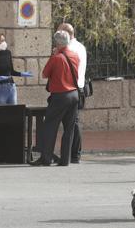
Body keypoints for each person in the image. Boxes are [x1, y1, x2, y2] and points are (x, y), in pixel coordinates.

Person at [30, 31, 79, 167]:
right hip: (74, 94)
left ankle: (45, 158)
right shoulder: (75, 56)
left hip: (60, 95)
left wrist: (53, 54)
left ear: (57, 43)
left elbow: (45, 73)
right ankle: (65, 160)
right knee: (69, 128)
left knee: (50, 126)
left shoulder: (56, 58)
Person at [58, 23, 86, 164]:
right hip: (78, 88)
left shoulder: (69, 49)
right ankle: (74, 153)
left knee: (72, 123)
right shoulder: (80, 46)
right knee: (73, 122)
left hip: (70, 89)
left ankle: (74, 153)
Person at [0, 32, 32, 105]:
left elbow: (11, 71)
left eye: (4, 40)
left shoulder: (7, 53)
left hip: (11, 86)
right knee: (2, 112)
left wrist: (21, 74)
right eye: (2, 41)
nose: (4, 43)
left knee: (13, 111)